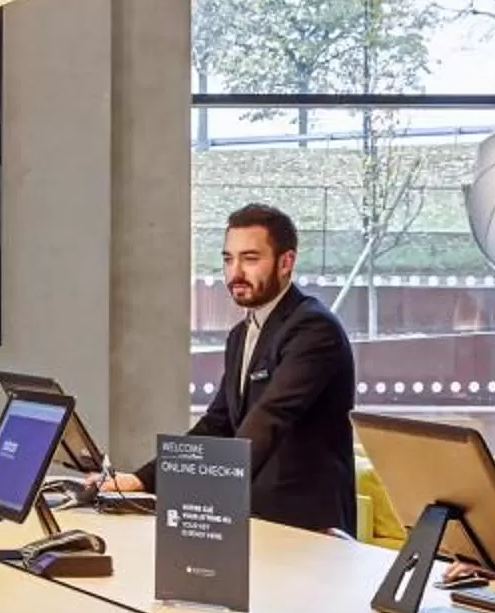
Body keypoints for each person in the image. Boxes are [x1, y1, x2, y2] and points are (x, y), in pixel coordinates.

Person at [116, 203, 358, 533]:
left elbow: (269, 419)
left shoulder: (314, 329)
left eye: (250, 258)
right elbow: (217, 424)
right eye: (228, 259)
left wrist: (205, 495)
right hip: (253, 521)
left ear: (286, 262)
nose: (235, 273)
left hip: (308, 528)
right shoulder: (240, 335)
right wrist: (142, 480)